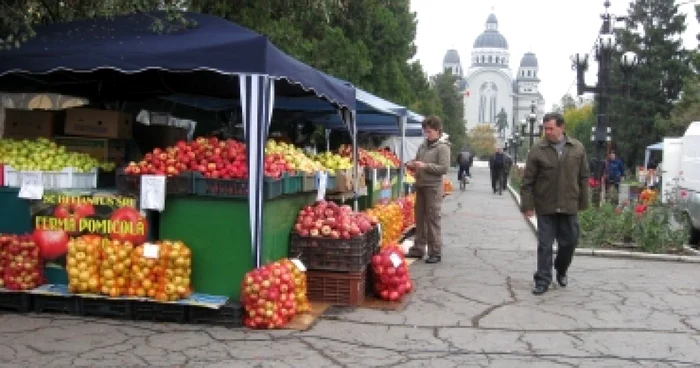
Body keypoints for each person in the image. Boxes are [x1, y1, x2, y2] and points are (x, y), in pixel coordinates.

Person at [520, 112, 589, 295]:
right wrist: (527, 206)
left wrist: (583, 203)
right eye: (545, 128)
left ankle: (561, 269)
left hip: (569, 205)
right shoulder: (537, 150)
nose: (548, 132)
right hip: (546, 205)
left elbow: (583, 177)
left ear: (561, 127)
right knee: (545, 245)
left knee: (570, 242)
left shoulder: (577, 148)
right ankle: (542, 280)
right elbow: (528, 181)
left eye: (551, 128)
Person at [406, 116, 450, 264]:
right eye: (425, 131)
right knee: (419, 219)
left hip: (433, 187)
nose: (427, 134)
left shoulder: (443, 147)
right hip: (421, 185)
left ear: (437, 131)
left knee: (432, 219)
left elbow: (444, 168)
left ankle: (435, 252)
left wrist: (425, 166)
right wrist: (412, 165)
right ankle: (418, 249)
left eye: (429, 131)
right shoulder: (423, 146)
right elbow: (419, 161)